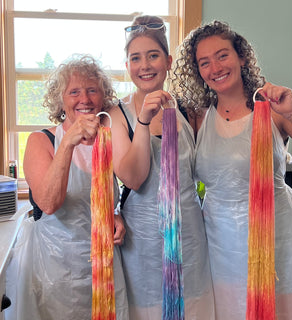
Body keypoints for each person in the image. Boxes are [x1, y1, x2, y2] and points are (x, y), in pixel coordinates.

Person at [170, 20, 292, 320]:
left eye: (222, 55)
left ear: (241, 56)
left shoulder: (272, 107)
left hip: (274, 239)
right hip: (220, 244)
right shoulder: (197, 117)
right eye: (204, 62)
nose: (215, 67)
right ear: (197, 71)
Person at [5, 55, 129, 320]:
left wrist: (115, 212)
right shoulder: (42, 141)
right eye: (74, 92)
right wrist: (68, 143)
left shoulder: (109, 139)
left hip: (104, 266)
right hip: (55, 267)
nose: (84, 99)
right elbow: (49, 203)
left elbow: (114, 188)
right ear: (60, 100)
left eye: (92, 90)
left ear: (103, 96)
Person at [108, 15, 215, 319]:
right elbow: (133, 177)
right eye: (135, 58)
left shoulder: (188, 109)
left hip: (189, 235)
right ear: (127, 65)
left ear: (168, 61)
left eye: (153, 56)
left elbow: (208, 167)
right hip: (141, 241)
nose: (145, 65)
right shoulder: (118, 114)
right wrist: (143, 120)